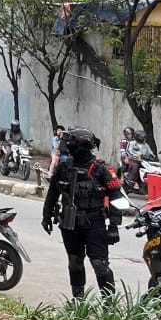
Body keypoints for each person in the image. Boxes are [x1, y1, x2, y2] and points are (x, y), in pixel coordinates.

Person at [41, 126, 132, 298]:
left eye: (72, 144)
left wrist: (114, 226)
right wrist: (46, 216)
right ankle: (78, 302)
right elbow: (52, 193)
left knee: (100, 264)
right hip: (69, 223)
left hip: (94, 223)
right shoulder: (63, 167)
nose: (68, 147)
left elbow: (116, 196)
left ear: (82, 145)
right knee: (75, 262)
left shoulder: (102, 169)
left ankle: (109, 304)